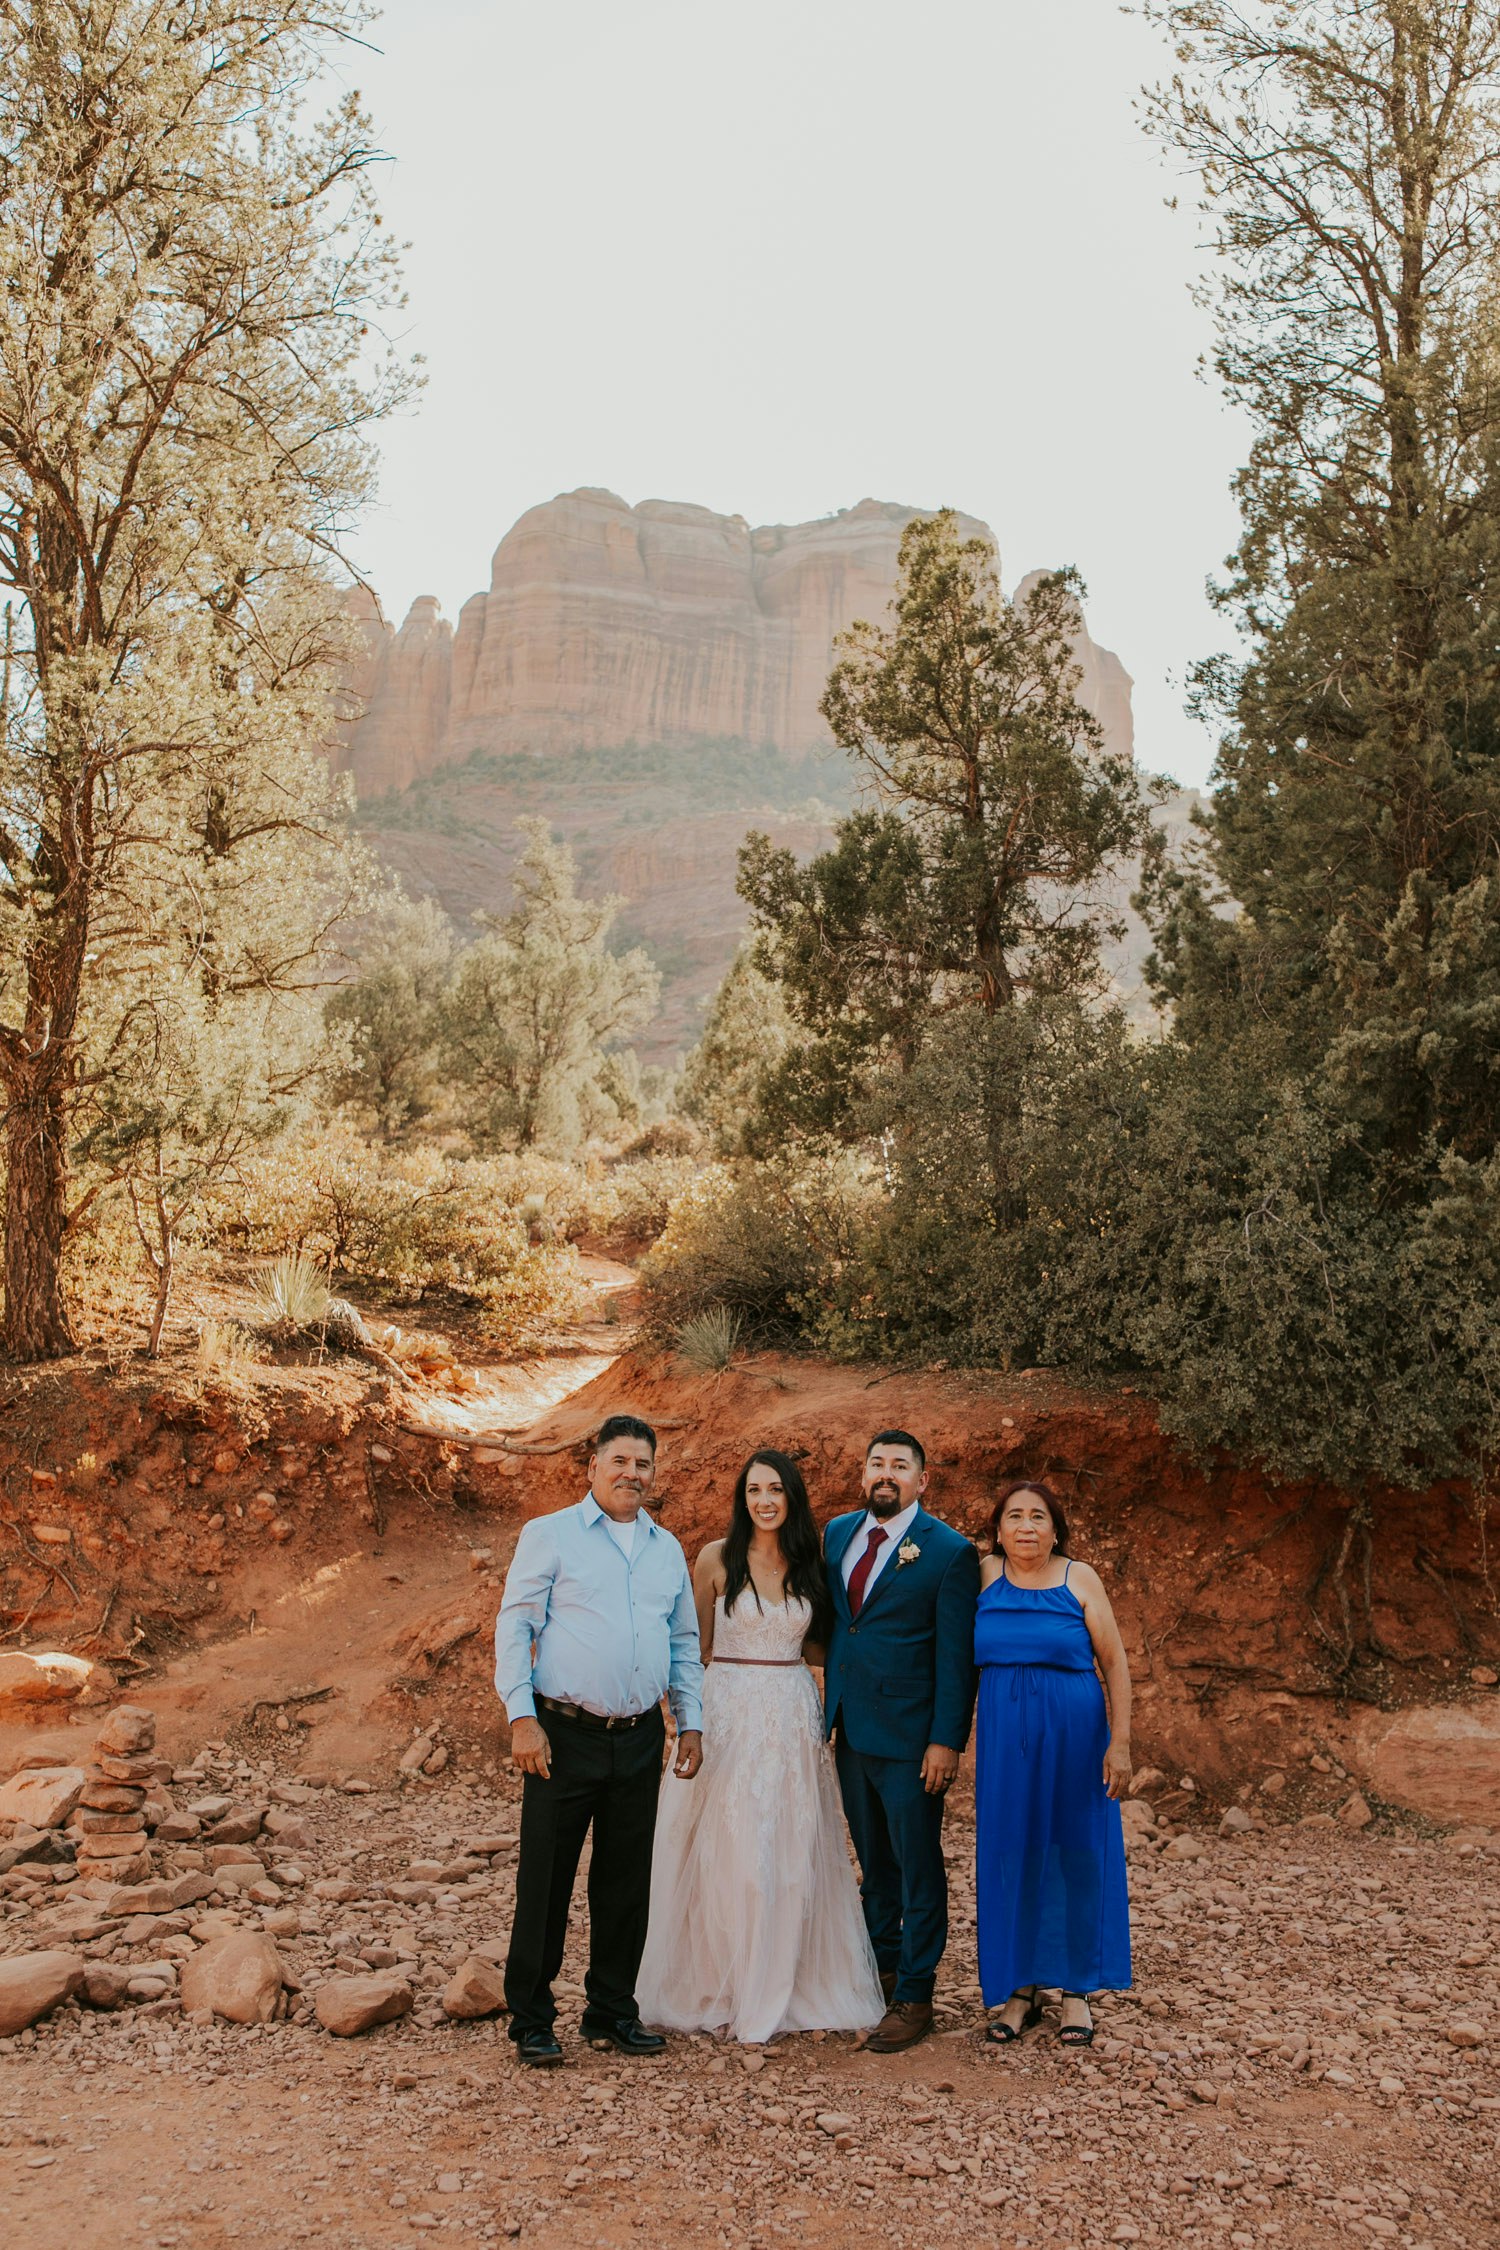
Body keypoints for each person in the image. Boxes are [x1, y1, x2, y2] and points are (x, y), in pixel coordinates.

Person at [638, 1450, 884, 2042]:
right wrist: (685, 1721)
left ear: (793, 1497)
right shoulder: (715, 1560)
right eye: (754, 1491)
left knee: (789, 1843)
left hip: (792, 1713)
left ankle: (785, 1976)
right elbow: (688, 1647)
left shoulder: (810, 1565)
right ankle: (721, 1979)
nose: (765, 1501)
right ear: (741, 1498)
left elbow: (821, 1650)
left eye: (776, 1490)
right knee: (727, 1844)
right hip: (727, 1710)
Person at [494, 1413, 704, 2067]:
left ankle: (612, 2011)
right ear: (592, 1466)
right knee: (546, 1880)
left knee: (625, 1882)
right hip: (561, 1733)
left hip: (640, 1736)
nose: (631, 1474)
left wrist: (689, 1719)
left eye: (643, 1464)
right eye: (619, 1461)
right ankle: (531, 2018)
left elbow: (682, 1641)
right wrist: (520, 1715)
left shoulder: (666, 1549)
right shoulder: (550, 1535)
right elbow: (516, 1625)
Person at [823, 1429, 980, 2054]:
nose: (885, 1474)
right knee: (873, 1866)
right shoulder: (838, 1534)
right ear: (863, 1474)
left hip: (913, 1741)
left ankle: (917, 1996)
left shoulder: (948, 1552)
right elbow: (842, 1626)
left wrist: (946, 1741)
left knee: (917, 1867)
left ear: (922, 1480)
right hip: (850, 1731)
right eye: (876, 1464)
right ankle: (881, 1976)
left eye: (899, 1466)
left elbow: (955, 1658)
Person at [974, 1478, 1132, 2047]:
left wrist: (1121, 1743)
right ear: (998, 1530)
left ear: (1055, 1528)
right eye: (1014, 1516)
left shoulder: (1078, 1577)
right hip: (1003, 1740)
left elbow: (1114, 1665)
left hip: (1075, 1738)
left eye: (1037, 1517)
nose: (1025, 1527)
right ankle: (1020, 1990)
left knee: (1076, 1854)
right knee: (1011, 1852)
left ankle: (1074, 1991)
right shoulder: (984, 1576)